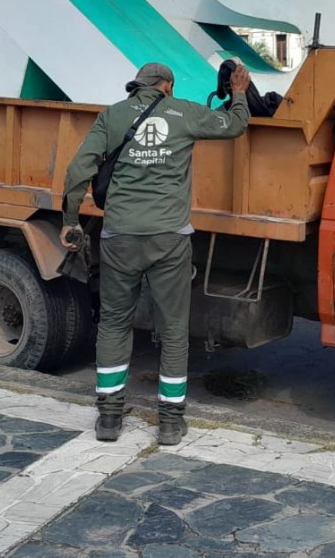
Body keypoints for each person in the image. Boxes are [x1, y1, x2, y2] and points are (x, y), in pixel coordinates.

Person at [60, 61, 252, 446]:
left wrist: (70, 220)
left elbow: (79, 168)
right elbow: (234, 125)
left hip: (119, 238)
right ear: (168, 86)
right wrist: (240, 92)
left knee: (114, 323)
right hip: (169, 240)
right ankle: (168, 422)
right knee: (174, 329)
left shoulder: (112, 115)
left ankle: (110, 419)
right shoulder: (185, 112)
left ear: (138, 86)